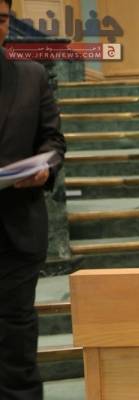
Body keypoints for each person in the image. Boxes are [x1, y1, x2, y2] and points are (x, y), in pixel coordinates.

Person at [0, 0, 66, 398]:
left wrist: (45, 168)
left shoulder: (31, 76)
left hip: (16, 227)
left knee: (16, 332)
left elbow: (53, 141)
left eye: (1, 19)